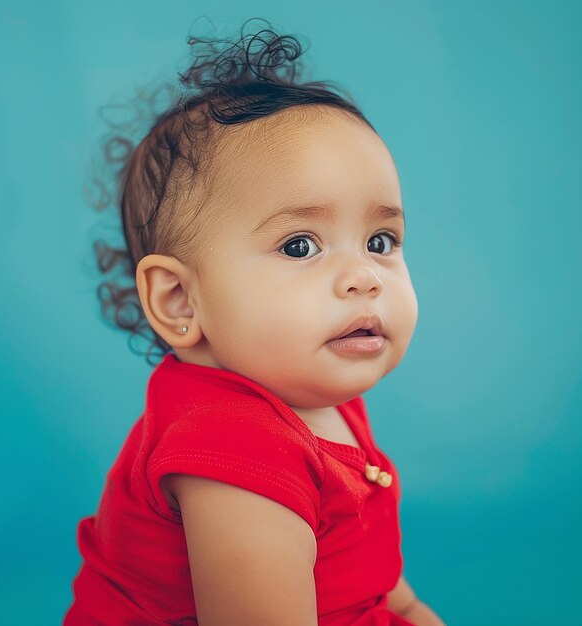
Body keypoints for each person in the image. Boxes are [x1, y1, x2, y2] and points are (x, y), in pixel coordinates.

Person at [64, 17, 445, 626]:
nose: (365, 276)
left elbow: (370, 570)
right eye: (300, 246)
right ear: (180, 301)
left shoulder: (313, 389)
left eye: (380, 240)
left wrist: (413, 611)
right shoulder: (229, 447)